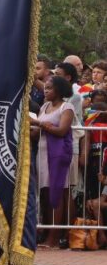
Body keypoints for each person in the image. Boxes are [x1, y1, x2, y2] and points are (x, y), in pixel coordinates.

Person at [32, 75, 76, 248]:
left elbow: (62, 130)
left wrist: (38, 124)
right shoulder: (44, 106)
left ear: (59, 90)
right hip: (42, 153)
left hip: (58, 154)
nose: (45, 90)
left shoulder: (67, 107)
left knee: (56, 191)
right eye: (45, 87)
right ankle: (46, 231)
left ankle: (55, 236)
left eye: (49, 88)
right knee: (45, 192)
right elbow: (37, 132)